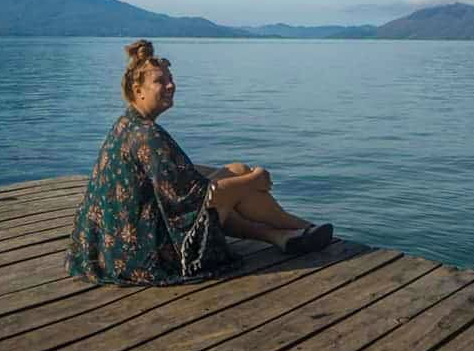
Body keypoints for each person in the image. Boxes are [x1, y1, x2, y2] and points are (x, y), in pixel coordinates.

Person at [66, 39, 333, 285]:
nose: (171, 85)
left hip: (110, 248)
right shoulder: (149, 136)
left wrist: (232, 176)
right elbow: (200, 199)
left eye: (171, 79)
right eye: (160, 81)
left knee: (232, 173)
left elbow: (180, 175)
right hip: (145, 255)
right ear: (138, 90)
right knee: (237, 178)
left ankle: (280, 236)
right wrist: (254, 179)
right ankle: (300, 226)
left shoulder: (128, 125)